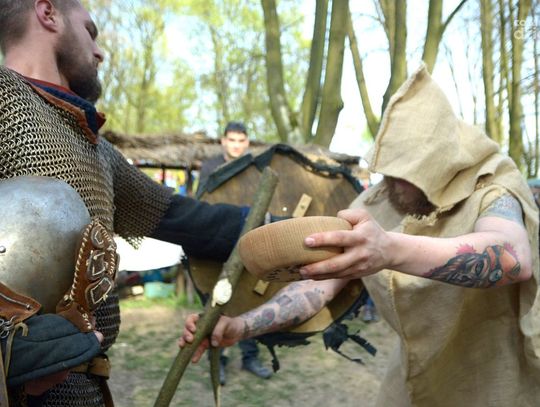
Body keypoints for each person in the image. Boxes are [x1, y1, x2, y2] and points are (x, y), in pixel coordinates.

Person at [180, 65, 540, 406]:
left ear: (439, 164)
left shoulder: (493, 188)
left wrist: (389, 250)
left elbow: (511, 256)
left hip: (496, 376)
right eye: (388, 171)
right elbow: (320, 286)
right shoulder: (380, 201)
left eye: (406, 173)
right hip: (414, 374)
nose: (392, 184)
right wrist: (241, 326)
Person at [0, 1, 249, 405]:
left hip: (85, 388)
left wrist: (280, 229)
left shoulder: (97, 150)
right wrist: (9, 350)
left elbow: (188, 220)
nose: (99, 52)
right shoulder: (4, 102)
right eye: (90, 32)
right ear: (48, 13)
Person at [198, 121, 272, 384]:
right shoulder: (210, 168)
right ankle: (217, 362)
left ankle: (250, 357)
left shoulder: (255, 169)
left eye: (241, 141)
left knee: (248, 303)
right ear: (223, 141)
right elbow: (200, 205)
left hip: (247, 245)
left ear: (247, 142)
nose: (236, 145)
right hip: (215, 244)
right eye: (232, 140)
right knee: (214, 305)